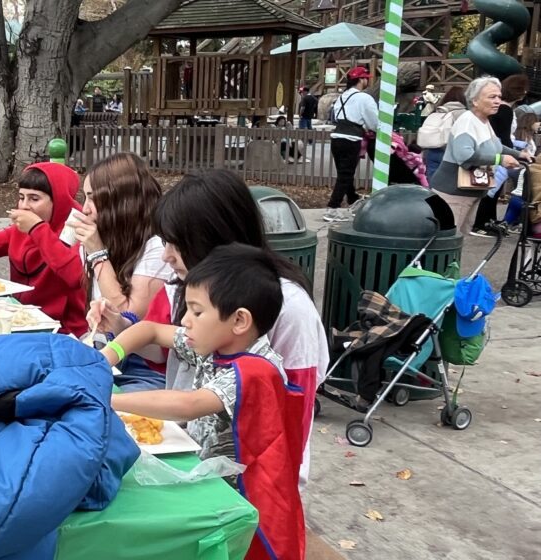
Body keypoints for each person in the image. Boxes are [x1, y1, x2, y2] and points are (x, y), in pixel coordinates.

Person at [88, 169, 326, 488]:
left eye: (176, 243)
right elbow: (158, 342)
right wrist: (115, 331)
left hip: (247, 482)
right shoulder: (184, 286)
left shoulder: (288, 306)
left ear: (216, 239)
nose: (167, 256)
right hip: (183, 454)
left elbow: (297, 402)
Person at [103, 244, 305, 560]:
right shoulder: (218, 341)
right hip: (205, 477)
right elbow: (150, 329)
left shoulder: (256, 370)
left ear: (239, 321)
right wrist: (105, 359)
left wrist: (111, 399)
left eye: (197, 311)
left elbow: (190, 404)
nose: (185, 320)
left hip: (241, 499)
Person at [72, 152, 174, 389]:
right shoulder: (102, 240)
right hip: (104, 349)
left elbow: (128, 317)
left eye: (92, 198)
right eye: (84, 197)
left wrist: (97, 254)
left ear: (118, 201)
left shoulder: (157, 248)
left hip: (144, 366)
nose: (84, 209)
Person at [0, 162, 88, 335]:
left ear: (59, 200)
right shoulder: (24, 228)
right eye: (21, 197)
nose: (24, 206)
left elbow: (75, 276)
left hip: (62, 331)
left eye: (34, 199)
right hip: (21, 320)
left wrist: (38, 229)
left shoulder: (77, 229)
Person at [429, 76, 529, 236]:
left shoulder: (482, 121)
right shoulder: (468, 122)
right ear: (475, 101)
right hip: (454, 192)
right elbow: (464, 155)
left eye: (499, 96)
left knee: (456, 240)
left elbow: (497, 146)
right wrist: (500, 160)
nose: (497, 101)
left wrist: (519, 154)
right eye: (492, 97)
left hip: (470, 192)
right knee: (446, 241)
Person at [472, 74, 530, 237]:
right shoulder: (505, 110)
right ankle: (481, 223)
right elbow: (504, 137)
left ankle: (488, 220)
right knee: (492, 189)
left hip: (492, 150)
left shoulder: (500, 110)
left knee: (492, 189)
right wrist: (515, 154)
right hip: (499, 154)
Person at [326, 66, 379, 223]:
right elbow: (373, 122)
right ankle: (332, 207)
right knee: (345, 174)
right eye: (366, 78)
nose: (367, 81)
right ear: (361, 80)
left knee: (344, 172)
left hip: (337, 137)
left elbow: (336, 115)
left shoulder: (342, 97)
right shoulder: (364, 98)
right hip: (352, 138)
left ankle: (353, 199)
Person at [417, 86, 466, 180]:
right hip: (450, 154)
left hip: (430, 152)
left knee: (433, 185)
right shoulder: (463, 114)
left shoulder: (437, 112)